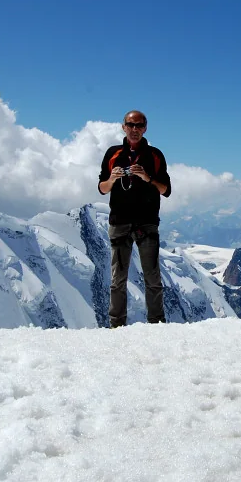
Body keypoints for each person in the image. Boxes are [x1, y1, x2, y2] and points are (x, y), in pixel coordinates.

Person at [98, 110, 171, 327]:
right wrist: (112, 179)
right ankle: (116, 326)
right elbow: (102, 188)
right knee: (118, 279)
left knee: (152, 278)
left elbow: (166, 190)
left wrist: (147, 178)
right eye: (130, 125)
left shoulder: (155, 156)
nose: (134, 129)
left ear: (145, 128)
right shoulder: (113, 154)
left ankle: (156, 324)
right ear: (124, 127)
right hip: (120, 221)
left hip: (147, 222)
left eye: (139, 125)